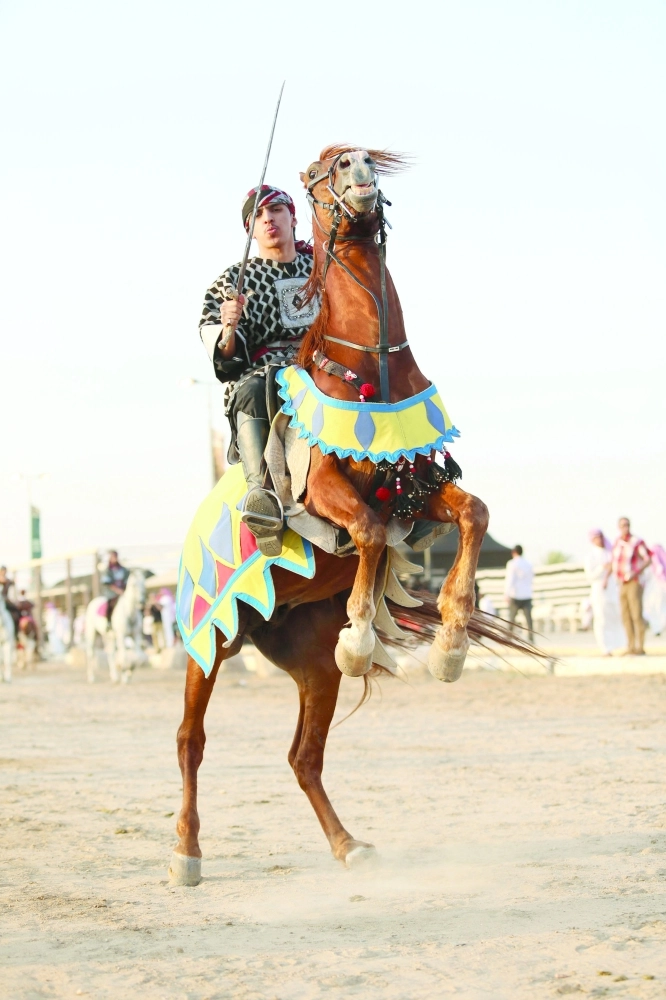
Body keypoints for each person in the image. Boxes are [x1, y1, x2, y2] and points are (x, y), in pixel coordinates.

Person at [199, 185, 318, 556]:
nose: (268, 219)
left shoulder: (323, 268)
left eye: (275, 210)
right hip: (263, 373)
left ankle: (411, 483)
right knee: (249, 390)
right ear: (249, 230)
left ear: (293, 217)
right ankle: (262, 496)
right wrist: (228, 326)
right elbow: (225, 357)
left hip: (323, 366)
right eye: (258, 216)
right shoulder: (232, 282)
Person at [610, 517, 652, 655]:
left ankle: (640, 646)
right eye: (623, 525)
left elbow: (648, 559)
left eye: (627, 525)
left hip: (634, 581)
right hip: (621, 583)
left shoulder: (636, 541)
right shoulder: (617, 542)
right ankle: (630, 646)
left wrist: (636, 571)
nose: (625, 527)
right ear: (619, 527)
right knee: (625, 615)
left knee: (636, 614)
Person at [584, 529, 624, 655]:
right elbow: (589, 576)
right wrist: (602, 567)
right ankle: (605, 648)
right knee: (601, 619)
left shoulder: (610, 552)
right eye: (596, 538)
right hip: (598, 590)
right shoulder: (591, 556)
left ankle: (616, 646)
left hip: (612, 589)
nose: (599, 540)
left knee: (614, 616)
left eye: (600, 537)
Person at [504, 545, 535, 642]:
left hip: (515, 594)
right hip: (527, 594)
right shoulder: (529, 564)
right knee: (528, 619)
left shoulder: (512, 563)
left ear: (513, 552)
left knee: (512, 618)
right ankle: (531, 638)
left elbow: (510, 579)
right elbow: (531, 578)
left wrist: (506, 594)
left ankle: (509, 637)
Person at [100, 550, 130, 627]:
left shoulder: (123, 570)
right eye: (113, 556)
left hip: (124, 591)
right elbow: (107, 583)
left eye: (116, 556)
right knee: (110, 604)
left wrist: (124, 590)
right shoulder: (108, 570)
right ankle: (108, 622)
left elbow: (127, 580)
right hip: (112, 593)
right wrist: (117, 590)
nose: (115, 558)